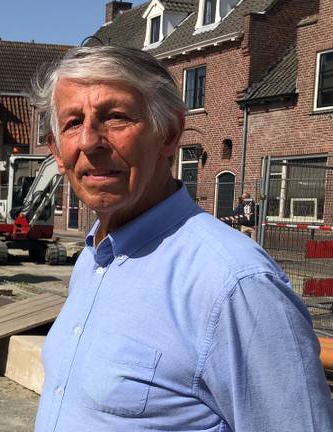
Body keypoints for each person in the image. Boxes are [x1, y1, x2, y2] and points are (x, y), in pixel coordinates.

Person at [32, 46, 332, 431]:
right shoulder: (94, 257)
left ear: (169, 133)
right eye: (73, 122)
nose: (90, 141)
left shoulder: (235, 285)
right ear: (57, 152)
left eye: (116, 118)